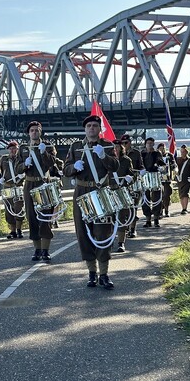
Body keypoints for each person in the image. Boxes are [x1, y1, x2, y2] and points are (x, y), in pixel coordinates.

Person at [64, 115, 119, 289]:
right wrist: (74, 168)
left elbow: (115, 166)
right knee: (83, 232)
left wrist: (104, 156)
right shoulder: (76, 147)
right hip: (81, 191)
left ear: (99, 129)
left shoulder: (108, 146)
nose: (92, 128)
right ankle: (91, 273)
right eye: (89, 126)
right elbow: (65, 169)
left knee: (102, 232)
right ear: (85, 129)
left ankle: (104, 273)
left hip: (101, 191)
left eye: (95, 125)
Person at [16, 121, 57, 261]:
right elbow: (17, 168)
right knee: (32, 217)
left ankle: (45, 250)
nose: (34, 132)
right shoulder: (23, 148)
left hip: (43, 183)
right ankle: (37, 249)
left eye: (37, 130)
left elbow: (52, 163)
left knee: (45, 218)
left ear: (40, 132)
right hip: (29, 184)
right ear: (28, 133)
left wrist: (43, 152)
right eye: (32, 130)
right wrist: (24, 165)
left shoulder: (48, 146)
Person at [111, 139, 135, 252]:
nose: (115, 149)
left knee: (121, 218)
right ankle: (109, 241)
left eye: (117, 147)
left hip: (122, 191)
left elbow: (132, 175)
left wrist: (130, 178)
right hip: (109, 192)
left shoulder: (126, 160)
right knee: (109, 218)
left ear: (121, 148)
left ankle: (121, 243)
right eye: (113, 147)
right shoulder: (107, 160)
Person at [0, 141, 25, 239]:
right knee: (9, 209)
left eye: (15, 148)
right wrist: (0, 178)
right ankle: (12, 230)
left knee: (19, 207)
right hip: (7, 186)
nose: (13, 150)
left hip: (18, 185)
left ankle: (19, 229)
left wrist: (23, 176)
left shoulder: (21, 159)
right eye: (11, 149)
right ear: (8, 150)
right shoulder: (4, 159)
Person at [120, 134, 144, 238]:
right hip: (121, 185)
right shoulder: (117, 154)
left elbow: (141, 166)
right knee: (123, 208)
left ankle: (133, 229)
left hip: (133, 183)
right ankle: (124, 228)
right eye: (123, 143)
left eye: (126, 143)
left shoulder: (136, 153)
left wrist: (142, 171)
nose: (124, 145)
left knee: (133, 207)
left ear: (130, 143)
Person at [141, 137, 166, 228]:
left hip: (154, 177)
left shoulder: (157, 153)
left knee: (157, 199)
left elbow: (162, 164)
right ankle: (148, 220)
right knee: (145, 199)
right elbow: (138, 164)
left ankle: (156, 220)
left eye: (151, 143)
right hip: (145, 178)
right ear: (145, 144)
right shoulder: (142, 154)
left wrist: (161, 168)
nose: (150, 145)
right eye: (148, 143)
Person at [175, 144, 190, 215]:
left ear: (186, 152)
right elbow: (174, 168)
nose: (182, 153)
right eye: (181, 151)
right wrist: (176, 175)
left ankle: (185, 208)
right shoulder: (178, 160)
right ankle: (182, 207)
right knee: (181, 194)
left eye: (184, 151)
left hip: (187, 180)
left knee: (185, 193)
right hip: (180, 180)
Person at [157, 142, 177, 218]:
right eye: (160, 149)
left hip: (167, 179)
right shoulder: (156, 156)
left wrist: (175, 169)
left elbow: (174, 164)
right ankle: (160, 210)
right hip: (157, 179)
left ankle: (166, 210)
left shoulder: (169, 156)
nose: (162, 150)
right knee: (159, 196)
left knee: (166, 195)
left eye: (163, 148)